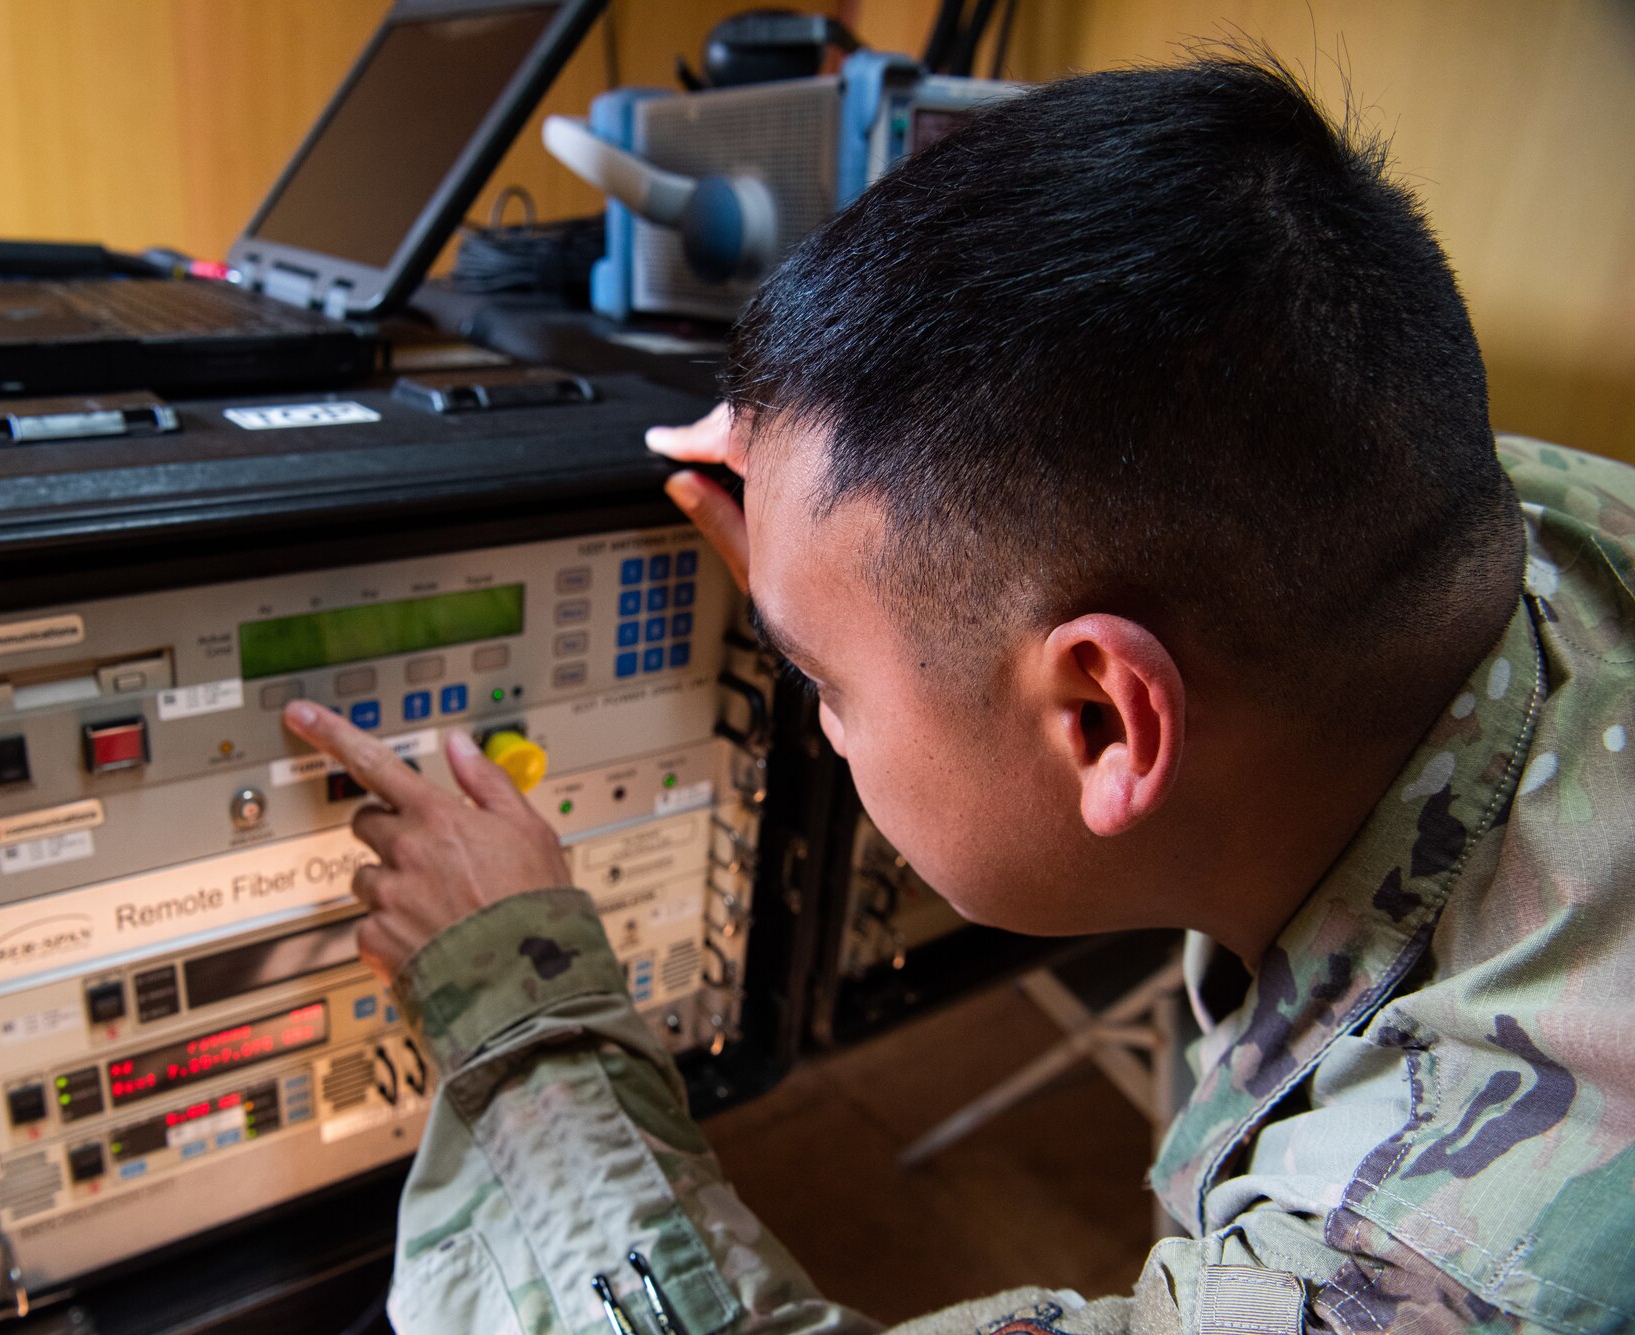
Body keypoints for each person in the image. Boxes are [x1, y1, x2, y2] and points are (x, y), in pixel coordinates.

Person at [283, 55, 1635, 1335]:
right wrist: (853, 536)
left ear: (1105, 720)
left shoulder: (1443, 1266)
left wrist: (520, 1007)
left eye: (817, 679)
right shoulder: (1459, 507)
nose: (812, 713)